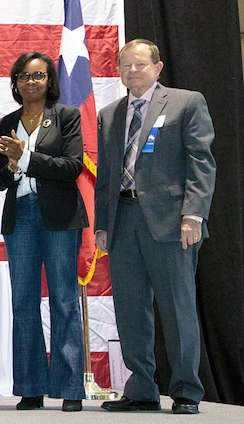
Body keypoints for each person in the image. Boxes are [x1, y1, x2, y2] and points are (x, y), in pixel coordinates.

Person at [95, 39, 215, 415]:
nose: (133, 71)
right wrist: (102, 225)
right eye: (126, 65)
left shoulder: (186, 102)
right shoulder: (110, 113)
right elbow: (106, 177)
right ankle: (142, 389)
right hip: (123, 221)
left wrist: (193, 215)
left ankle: (185, 392)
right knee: (130, 310)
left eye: (141, 64)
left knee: (177, 308)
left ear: (158, 67)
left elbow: (202, 162)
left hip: (172, 223)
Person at [0, 52, 88, 412]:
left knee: (64, 301)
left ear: (50, 81)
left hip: (59, 219)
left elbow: (73, 166)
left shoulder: (66, 116)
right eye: (24, 76)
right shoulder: (5, 122)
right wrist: (14, 166)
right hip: (21, 219)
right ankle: (30, 385)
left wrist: (27, 158)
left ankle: (70, 388)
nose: (31, 82)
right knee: (23, 303)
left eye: (39, 75)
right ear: (15, 82)